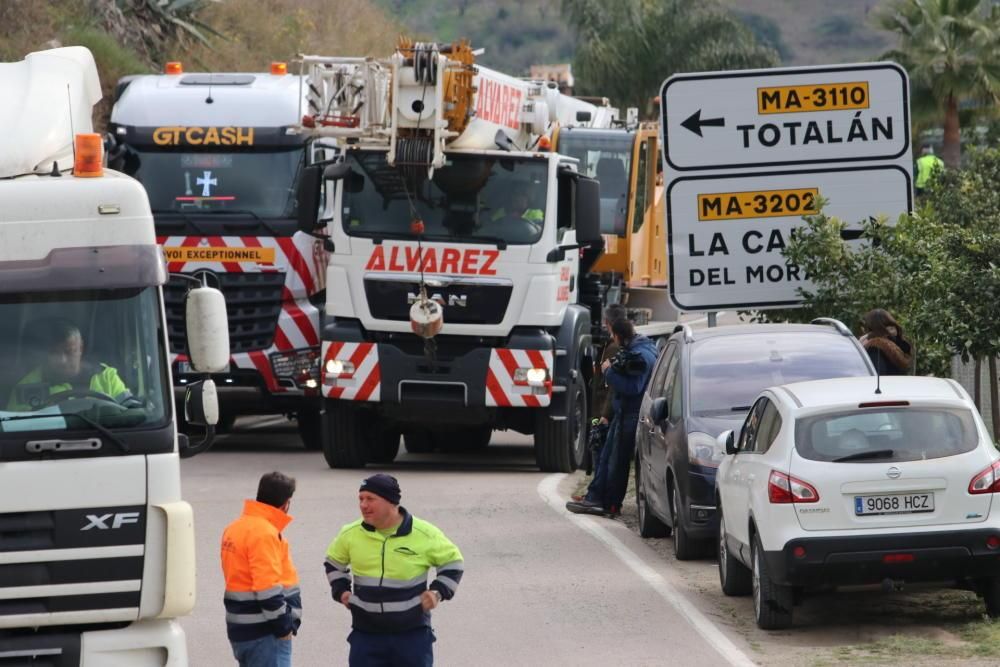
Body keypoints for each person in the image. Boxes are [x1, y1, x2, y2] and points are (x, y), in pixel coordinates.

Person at [325, 474, 464, 667]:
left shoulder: (424, 533)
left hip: (412, 635)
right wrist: (341, 591)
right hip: (366, 634)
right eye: (361, 499)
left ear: (391, 502)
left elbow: (453, 563)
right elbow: (333, 563)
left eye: (370, 499)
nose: (363, 505)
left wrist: (437, 592)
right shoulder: (350, 534)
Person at [567, 319, 657, 517]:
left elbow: (632, 388)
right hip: (623, 413)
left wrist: (609, 371)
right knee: (609, 458)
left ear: (617, 335)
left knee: (615, 462)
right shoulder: (644, 349)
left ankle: (606, 502)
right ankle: (597, 498)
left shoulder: (640, 356)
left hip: (629, 414)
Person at [221, 472, 301, 667]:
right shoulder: (265, 533)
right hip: (265, 632)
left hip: (241, 630)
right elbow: (267, 590)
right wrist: (284, 627)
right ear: (286, 503)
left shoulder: (234, 528)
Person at [7, 318, 133, 411]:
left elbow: (130, 408)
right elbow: (16, 429)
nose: (62, 360)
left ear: (81, 348)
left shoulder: (106, 376)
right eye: (54, 353)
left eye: (69, 352)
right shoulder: (27, 386)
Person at [574, 304, 628, 494]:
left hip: (604, 411)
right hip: (603, 410)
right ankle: (597, 491)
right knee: (600, 453)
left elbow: (611, 386)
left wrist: (603, 415)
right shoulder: (612, 346)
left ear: (608, 323)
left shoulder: (613, 348)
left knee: (601, 453)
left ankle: (599, 494)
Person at [860, 309, 913, 375]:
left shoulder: (874, 347)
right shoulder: (876, 349)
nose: (892, 331)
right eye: (888, 328)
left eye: (892, 327)